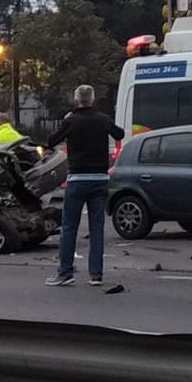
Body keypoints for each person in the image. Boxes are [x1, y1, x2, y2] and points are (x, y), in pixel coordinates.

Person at [44, 85, 124, 287]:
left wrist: (65, 122)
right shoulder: (102, 119)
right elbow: (119, 134)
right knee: (97, 228)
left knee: (70, 226)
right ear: (93, 99)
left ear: (77, 99)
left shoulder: (71, 121)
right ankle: (95, 275)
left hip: (78, 179)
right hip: (99, 179)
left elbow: (51, 141)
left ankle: (65, 272)